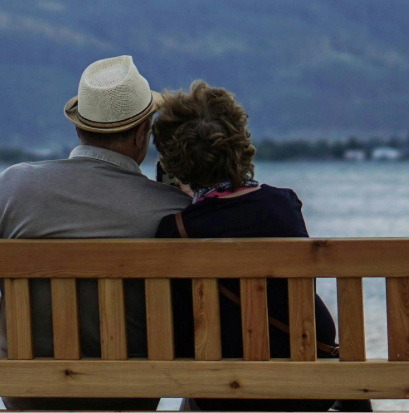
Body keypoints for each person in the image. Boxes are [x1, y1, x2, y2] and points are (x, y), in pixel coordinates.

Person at [0, 55, 189, 411]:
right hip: (128, 396)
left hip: (27, 394)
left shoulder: (10, 187)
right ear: (141, 135)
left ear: (78, 128)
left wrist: (17, 319)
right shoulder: (173, 210)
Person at [152, 80, 368, 412]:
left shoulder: (176, 231)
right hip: (307, 388)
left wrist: (192, 204)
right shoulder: (284, 207)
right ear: (240, 142)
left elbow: (180, 333)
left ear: (173, 163)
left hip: (219, 395)